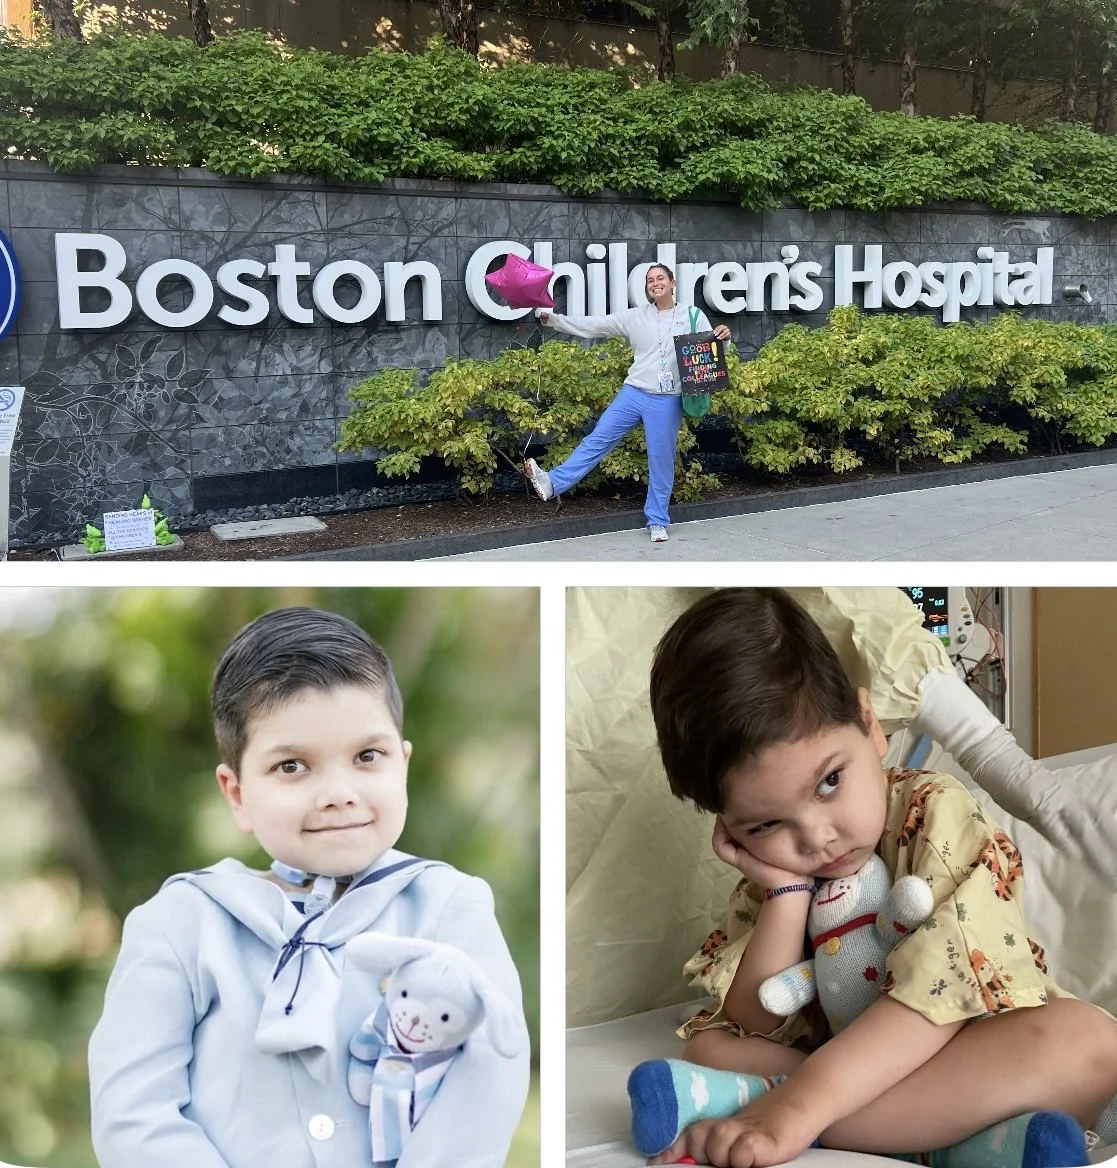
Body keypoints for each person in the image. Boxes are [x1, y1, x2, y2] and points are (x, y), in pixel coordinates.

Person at [629, 587, 1117, 1168]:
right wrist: (784, 894)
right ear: (729, 827)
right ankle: (969, 1145)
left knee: (1088, 1043)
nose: (815, 838)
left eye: (829, 781)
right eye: (764, 823)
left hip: (973, 1047)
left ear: (869, 725)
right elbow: (755, 1021)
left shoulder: (932, 812)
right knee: (711, 1043)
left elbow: (939, 992)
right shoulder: (776, 873)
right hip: (871, 1078)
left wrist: (801, 1106)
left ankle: (779, 1107)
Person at [87, 608, 530, 1168]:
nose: (339, 792)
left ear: (403, 764)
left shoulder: (448, 906)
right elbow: (134, 1114)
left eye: (368, 756)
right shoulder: (180, 924)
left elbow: (491, 1072)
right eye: (293, 766)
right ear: (238, 793)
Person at [522, 263, 731, 544]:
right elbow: (595, 325)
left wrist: (725, 340)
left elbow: (710, 354)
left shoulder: (693, 316)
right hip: (633, 393)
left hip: (667, 400)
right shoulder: (636, 317)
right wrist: (555, 320)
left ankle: (657, 521)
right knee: (597, 439)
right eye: (650, 280)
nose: (655, 283)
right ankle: (553, 483)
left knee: (661, 461)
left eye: (660, 278)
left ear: (672, 282)